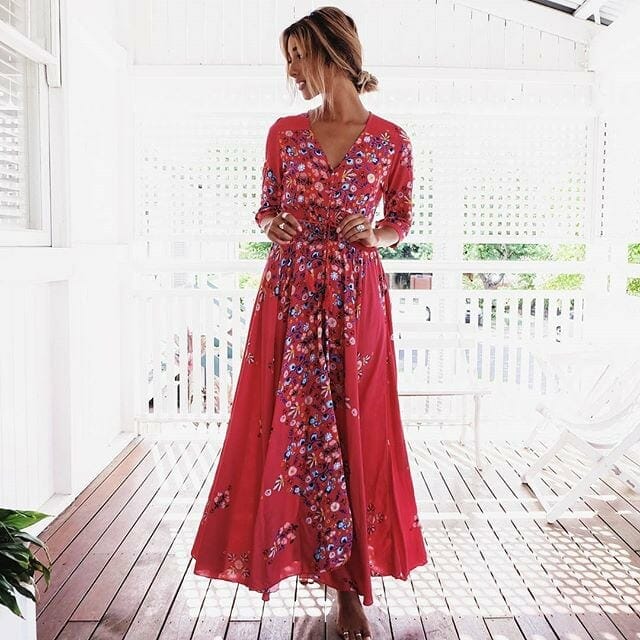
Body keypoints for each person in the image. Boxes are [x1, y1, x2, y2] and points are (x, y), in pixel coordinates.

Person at [190, 6, 428, 639]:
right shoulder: (283, 133)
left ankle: (350, 587)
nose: (291, 72)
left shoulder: (392, 139)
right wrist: (274, 225)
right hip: (291, 296)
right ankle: (300, 559)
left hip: (356, 300)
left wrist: (376, 234)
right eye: (288, 60)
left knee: (354, 431)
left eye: (298, 57)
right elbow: (265, 208)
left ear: (330, 53)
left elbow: (401, 219)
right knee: (291, 430)